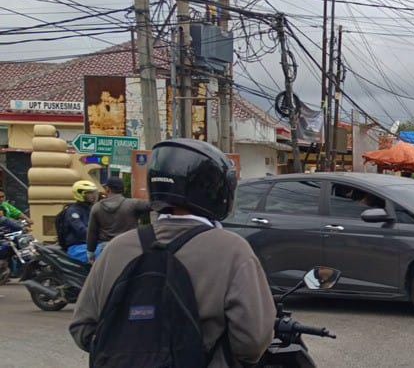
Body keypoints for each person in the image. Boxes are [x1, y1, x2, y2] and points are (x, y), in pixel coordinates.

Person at [70, 139, 275, 367]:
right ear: (216, 190)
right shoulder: (232, 250)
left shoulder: (116, 248)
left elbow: (82, 328)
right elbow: (252, 342)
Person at [86, 177, 151, 263]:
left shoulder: (96, 207)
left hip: (106, 250)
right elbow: (155, 205)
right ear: (123, 189)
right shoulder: (133, 204)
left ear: (107, 189)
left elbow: (92, 232)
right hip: (129, 248)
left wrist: (90, 252)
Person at [58, 180, 102, 263]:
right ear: (80, 194)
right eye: (90, 193)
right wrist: (100, 235)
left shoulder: (91, 209)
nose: (94, 195)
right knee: (103, 254)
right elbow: (82, 230)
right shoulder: (73, 211)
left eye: (94, 192)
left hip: (91, 245)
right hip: (77, 248)